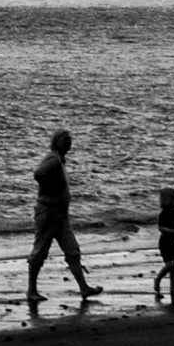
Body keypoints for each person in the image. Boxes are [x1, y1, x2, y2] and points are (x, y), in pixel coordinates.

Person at [26, 128, 103, 301]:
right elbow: (38, 174)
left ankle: (84, 288)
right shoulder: (53, 159)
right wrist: (50, 189)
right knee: (40, 251)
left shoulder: (60, 160)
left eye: (70, 140)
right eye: (65, 140)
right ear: (56, 142)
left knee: (72, 250)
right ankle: (31, 290)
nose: (69, 143)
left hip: (60, 214)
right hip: (48, 212)